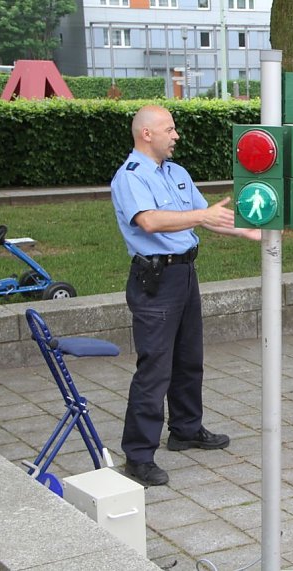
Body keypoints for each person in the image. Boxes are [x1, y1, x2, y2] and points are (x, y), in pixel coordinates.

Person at [111, 105, 261, 486]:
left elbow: (207, 214)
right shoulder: (130, 177)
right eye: (169, 129)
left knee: (189, 359)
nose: (175, 135)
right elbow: (149, 220)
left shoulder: (176, 173)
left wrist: (251, 232)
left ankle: (186, 430)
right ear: (146, 134)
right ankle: (139, 456)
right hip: (155, 280)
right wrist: (202, 217)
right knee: (155, 369)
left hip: (184, 272)